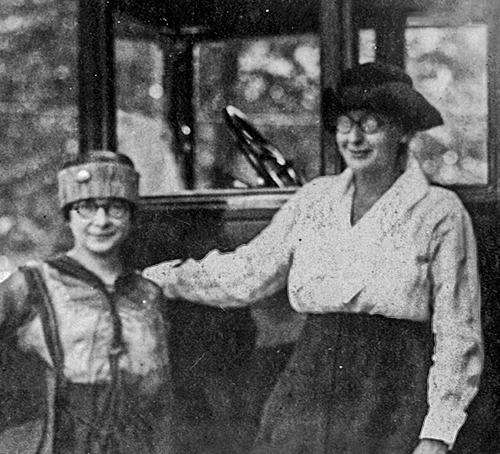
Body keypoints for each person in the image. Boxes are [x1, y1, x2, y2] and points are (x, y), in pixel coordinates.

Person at [144, 62, 483, 454]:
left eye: (371, 124)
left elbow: (459, 331)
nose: (354, 138)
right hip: (310, 380)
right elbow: (248, 272)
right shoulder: (315, 201)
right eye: (344, 124)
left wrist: (437, 433)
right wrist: (162, 278)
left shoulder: (438, 211)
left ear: (403, 130)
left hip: (392, 390)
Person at [0, 151, 173, 454]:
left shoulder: (148, 291)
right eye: (86, 208)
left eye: (116, 208)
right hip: (61, 442)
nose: (101, 221)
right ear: (68, 215)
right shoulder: (33, 284)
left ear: (131, 215)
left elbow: (160, 395)